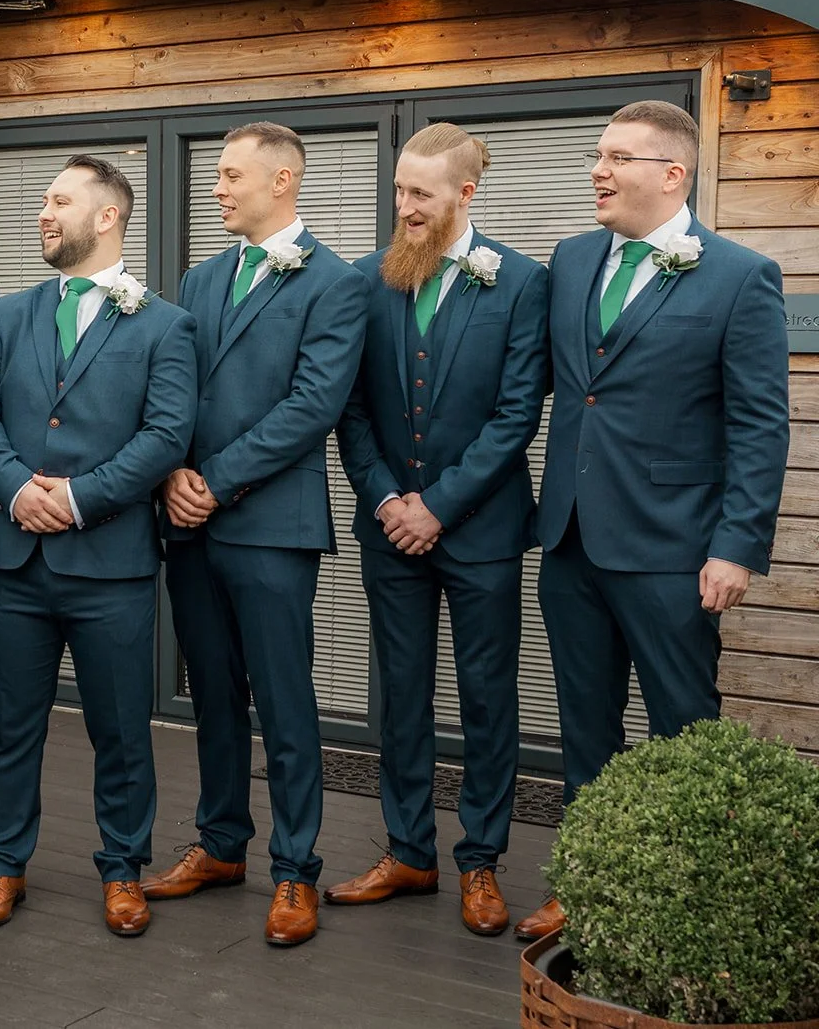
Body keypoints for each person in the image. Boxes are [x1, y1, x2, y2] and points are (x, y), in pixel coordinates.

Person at [517, 100, 789, 941]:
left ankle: (689, 902)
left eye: (616, 158)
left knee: (680, 727)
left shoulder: (742, 275)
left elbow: (759, 423)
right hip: (568, 538)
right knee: (583, 726)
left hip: (675, 548)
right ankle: (586, 883)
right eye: (597, 154)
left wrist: (736, 547)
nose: (597, 170)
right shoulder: (567, 260)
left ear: (673, 173)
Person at [0, 154, 197, 937]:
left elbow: (166, 434)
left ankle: (123, 868)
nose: (42, 214)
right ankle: (2, 866)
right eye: (42, 201)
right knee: (9, 726)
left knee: (122, 728)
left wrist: (81, 498)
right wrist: (18, 488)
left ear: (107, 217)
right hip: (15, 558)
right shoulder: (6, 312)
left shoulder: (164, 323)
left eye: (59, 201)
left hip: (111, 564)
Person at [145, 121, 369, 947]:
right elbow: (170, 387)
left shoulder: (336, 284)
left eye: (231, 175)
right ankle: (219, 843)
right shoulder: (199, 280)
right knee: (211, 692)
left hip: (272, 524)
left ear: (283, 181)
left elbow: (313, 405)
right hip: (189, 522)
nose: (216, 188)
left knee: (284, 700)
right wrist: (172, 472)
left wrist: (217, 478)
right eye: (217, 175)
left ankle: (295, 868)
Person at [328, 122, 549, 936]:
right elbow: (348, 410)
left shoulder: (522, 284)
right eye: (397, 191)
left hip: (480, 531)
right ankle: (408, 850)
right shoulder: (367, 279)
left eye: (420, 193)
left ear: (466, 192)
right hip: (389, 531)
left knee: (489, 697)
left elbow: (516, 413)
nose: (404, 207)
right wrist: (388, 499)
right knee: (402, 697)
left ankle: (482, 859)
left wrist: (439, 505)